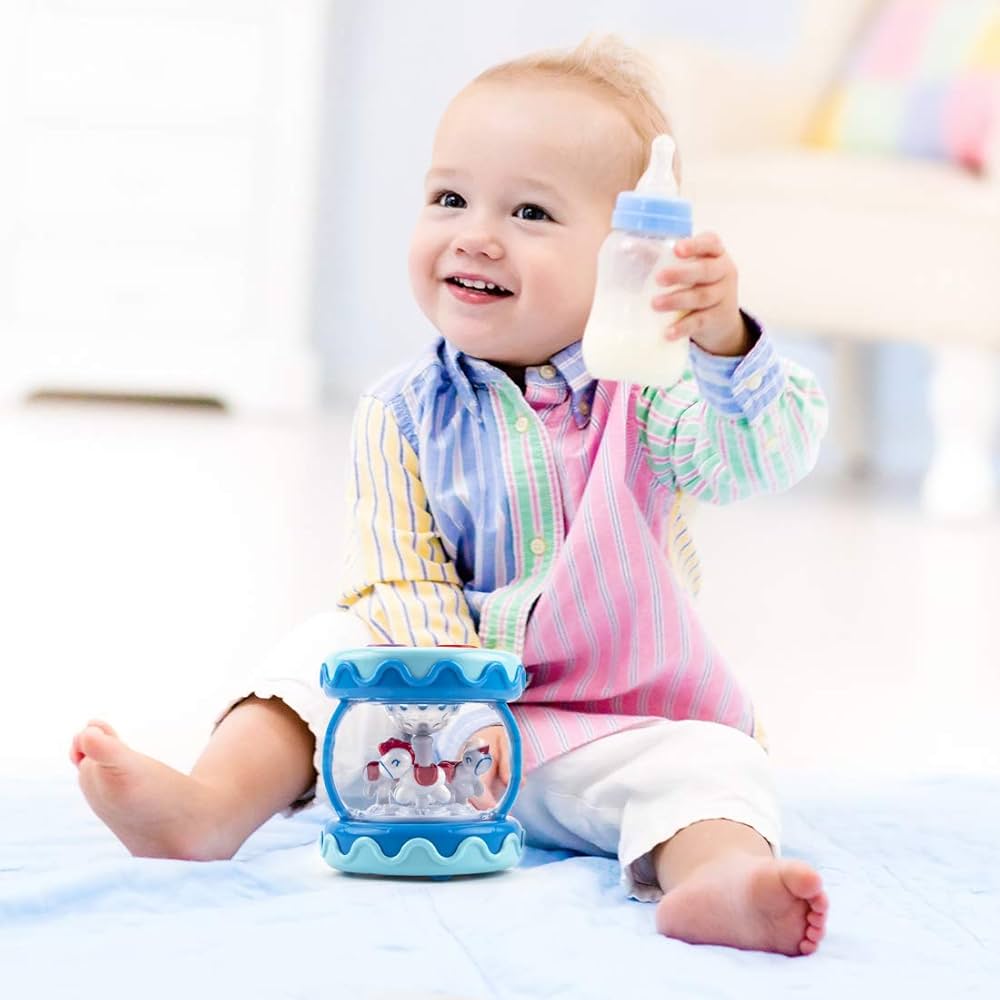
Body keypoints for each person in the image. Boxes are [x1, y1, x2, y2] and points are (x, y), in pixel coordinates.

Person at [71, 35, 830, 956]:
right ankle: (209, 808)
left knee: (714, 764)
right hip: (436, 734)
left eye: (531, 212)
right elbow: (401, 583)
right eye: (449, 198)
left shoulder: (654, 393)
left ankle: (718, 882)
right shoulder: (401, 413)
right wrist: (460, 722)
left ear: (630, 257)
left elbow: (758, 458)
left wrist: (720, 343)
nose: (475, 232)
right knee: (321, 648)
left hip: (612, 729)